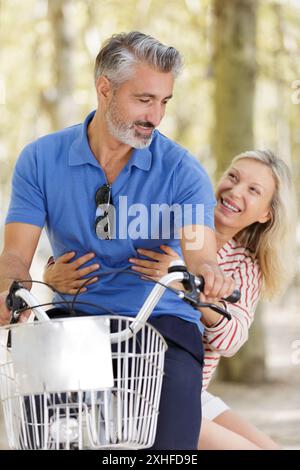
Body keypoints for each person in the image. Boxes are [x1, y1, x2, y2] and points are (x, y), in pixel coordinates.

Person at [0, 32, 235, 450]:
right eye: (144, 99)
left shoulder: (183, 171)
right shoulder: (40, 160)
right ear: (104, 89)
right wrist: (10, 291)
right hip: (73, 320)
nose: (156, 116)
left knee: (169, 448)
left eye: (164, 101)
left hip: (161, 324)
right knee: (45, 439)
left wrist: (208, 273)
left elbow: (200, 253)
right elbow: (15, 256)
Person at [44, 150, 296, 449]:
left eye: (254, 190)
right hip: (140, 381)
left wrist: (183, 285)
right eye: (233, 177)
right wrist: (50, 275)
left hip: (192, 388)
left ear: (266, 213)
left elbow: (230, 341)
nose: (235, 190)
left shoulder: (243, 264)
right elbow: (103, 257)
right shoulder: (168, 225)